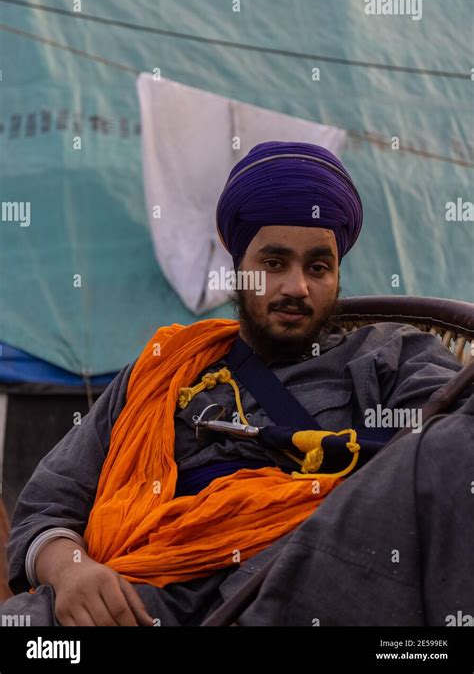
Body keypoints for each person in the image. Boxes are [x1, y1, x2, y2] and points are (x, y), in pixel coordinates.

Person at [0, 141, 471, 627]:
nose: (296, 287)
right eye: (273, 263)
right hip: (135, 600)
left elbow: (445, 452)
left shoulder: (389, 354)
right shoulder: (164, 369)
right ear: (237, 267)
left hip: (296, 586)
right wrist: (73, 572)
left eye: (318, 267)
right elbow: (47, 503)